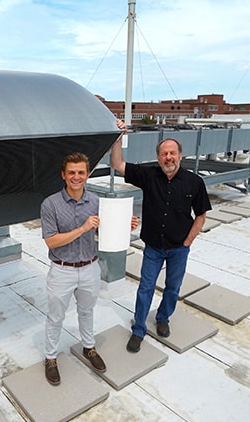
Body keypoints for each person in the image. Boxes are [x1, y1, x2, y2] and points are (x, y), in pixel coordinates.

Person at [110, 121, 211, 353]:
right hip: (153, 248)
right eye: (164, 154)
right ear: (158, 158)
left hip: (179, 248)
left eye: (172, 153)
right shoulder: (148, 175)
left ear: (180, 156)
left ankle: (163, 317)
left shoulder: (194, 182)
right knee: (145, 287)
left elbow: (201, 216)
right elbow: (117, 163)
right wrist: (118, 137)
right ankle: (138, 330)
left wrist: (187, 242)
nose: (168, 157)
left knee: (172, 288)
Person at [40, 152, 139, 385]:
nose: (77, 177)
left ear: (88, 174)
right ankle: (51, 358)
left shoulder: (96, 202)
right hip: (62, 270)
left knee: (87, 311)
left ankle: (89, 348)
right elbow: (51, 241)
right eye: (72, 172)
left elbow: (99, 232)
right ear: (64, 175)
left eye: (81, 172)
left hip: (89, 268)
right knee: (56, 317)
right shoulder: (50, 204)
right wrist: (83, 228)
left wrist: (125, 224)